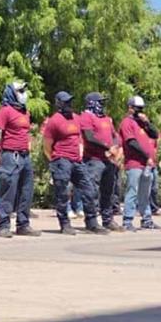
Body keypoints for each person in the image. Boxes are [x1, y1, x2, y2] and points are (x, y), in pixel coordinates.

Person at [43, 91, 108, 235]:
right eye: (66, 102)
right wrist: (54, 160)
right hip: (61, 160)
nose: (69, 105)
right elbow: (47, 145)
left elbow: (83, 136)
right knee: (63, 193)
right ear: (59, 103)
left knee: (89, 190)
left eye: (70, 102)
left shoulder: (76, 118)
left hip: (77, 161)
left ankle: (91, 223)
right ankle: (65, 224)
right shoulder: (54, 120)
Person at [0, 82, 39, 238]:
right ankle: (3, 225)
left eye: (24, 90)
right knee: (9, 190)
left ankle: (23, 224)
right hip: (10, 156)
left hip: (25, 156)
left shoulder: (25, 112)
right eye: (20, 90)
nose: (23, 93)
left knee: (26, 190)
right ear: (11, 93)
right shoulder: (5, 111)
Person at [79, 92, 123, 232]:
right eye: (100, 102)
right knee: (91, 192)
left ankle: (107, 219)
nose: (102, 105)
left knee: (108, 191)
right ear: (92, 103)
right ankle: (91, 222)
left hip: (108, 159)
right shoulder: (86, 116)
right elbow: (89, 137)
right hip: (94, 160)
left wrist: (115, 147)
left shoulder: (106, 119)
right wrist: (108, 147)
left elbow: (115, 136)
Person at [119, 96, 161, 232]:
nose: (140, 111)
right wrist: (146, 156)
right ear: (130, 108)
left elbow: (155, 135)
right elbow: (131, 143)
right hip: (135, 163)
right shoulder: (127, 123)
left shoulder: (142, 123)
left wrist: (147, 122)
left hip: (147, 165)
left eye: (141, 109)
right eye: (137, 109)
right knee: (132, 191)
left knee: (145, 193)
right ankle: (127, 220)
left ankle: (147, 219)